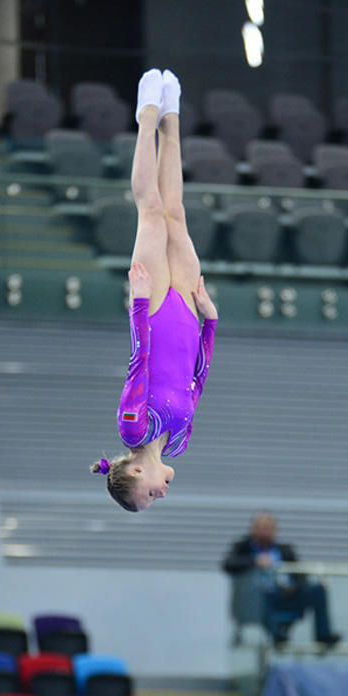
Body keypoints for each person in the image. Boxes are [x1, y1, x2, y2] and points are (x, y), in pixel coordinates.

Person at [90, 68, 218, 513]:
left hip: (156, 308)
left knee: (150, 210)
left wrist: (139, 301)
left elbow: (138, 361)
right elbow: (197, 380)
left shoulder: (132, 429)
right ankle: (172, 118)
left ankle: (146, 114)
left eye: (148, 496)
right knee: (176, 213)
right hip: (186, 309)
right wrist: (211, 322)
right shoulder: (179, 443)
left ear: (135, 473)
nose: (160, 495)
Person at [222, 512, 341, 649]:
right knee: (263, 593)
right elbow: (228, 564)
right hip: (256, 598)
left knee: (317, 590)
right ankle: (277, 636)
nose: (264, 531)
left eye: (268, 527)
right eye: (261, 527)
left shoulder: (285, 550)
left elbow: (300, 575)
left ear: (275, 530)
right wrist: (255, 561)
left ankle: (323, 636)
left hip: (285, 595)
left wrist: (294, 586)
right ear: (253, 529)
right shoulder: (242, 548)